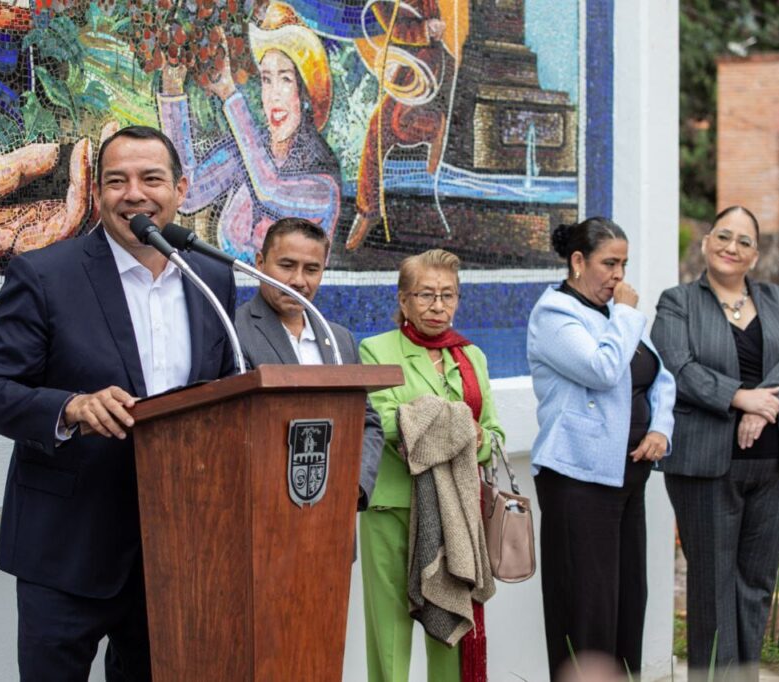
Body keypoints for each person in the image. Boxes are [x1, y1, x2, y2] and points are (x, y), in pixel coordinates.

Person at [0, 125, 237, 681]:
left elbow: (228, 390)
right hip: (65, 547)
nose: (134, 194)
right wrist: (69, 408)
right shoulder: (44, 275)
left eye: (151, 179)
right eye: (117, 181)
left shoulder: (212, 277)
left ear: (181, 190)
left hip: (173, 548)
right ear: (97, 195)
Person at [650, 206, 779, 681]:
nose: (732, 247)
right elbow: (678, 366)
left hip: (773, 460)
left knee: (757, 582)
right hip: (707, 462)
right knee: (711, 584)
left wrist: (764, 408)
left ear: (755, 254)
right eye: (723, 236)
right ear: (707, 242)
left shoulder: (777, 299)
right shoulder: (678, 302)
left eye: (744, 241)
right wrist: (740, 399)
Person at [525, 217, 676, 680]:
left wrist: (661, 431)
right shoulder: (554, 315)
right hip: (578, 482)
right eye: (609, 263)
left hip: (628, 479)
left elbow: (661, 377)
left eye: (624, 264)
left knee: (628, 602)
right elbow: (602, 369)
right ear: (577, 262)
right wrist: (629, 316)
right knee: (586, 610)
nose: (619, 276)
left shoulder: (614, 313)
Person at [358, 248, 503, 682]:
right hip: (393, 506)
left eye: (448, 295)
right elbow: (383, 421)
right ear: (404, 301)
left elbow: (492, 434)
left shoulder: (470, 356)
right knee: (389, 629)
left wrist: (461, 433)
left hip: (456, 511)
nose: (438, 306)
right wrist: (460, 426)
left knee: (450, 628)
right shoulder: (376, 348)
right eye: (425, 295)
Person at [158, 1, 341, 262]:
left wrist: (229, 95)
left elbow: (268, 189)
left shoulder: (323, 183)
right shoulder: (248, 154)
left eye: (286, 79)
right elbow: (189, 194)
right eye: (266, 79)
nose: (274, 94)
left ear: (305, 94)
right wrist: (173, 89)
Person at [233, 216, 383, 509]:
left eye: (311, 269)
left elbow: (367, 423)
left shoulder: (340, 340)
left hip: (333, 515)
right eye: (287, 266)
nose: (299, 281)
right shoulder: (233, 330)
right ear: (260, 263)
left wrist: (355, 485)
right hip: (262, 511)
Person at [345, 0, 452, 251]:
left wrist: (429, 30)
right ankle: (368, 210)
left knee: (398, 122)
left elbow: (427, 22)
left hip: (425, 61)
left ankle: (435, 126)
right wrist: (424, 30)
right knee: (379, 129)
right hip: (404, 60)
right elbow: (395, 28)